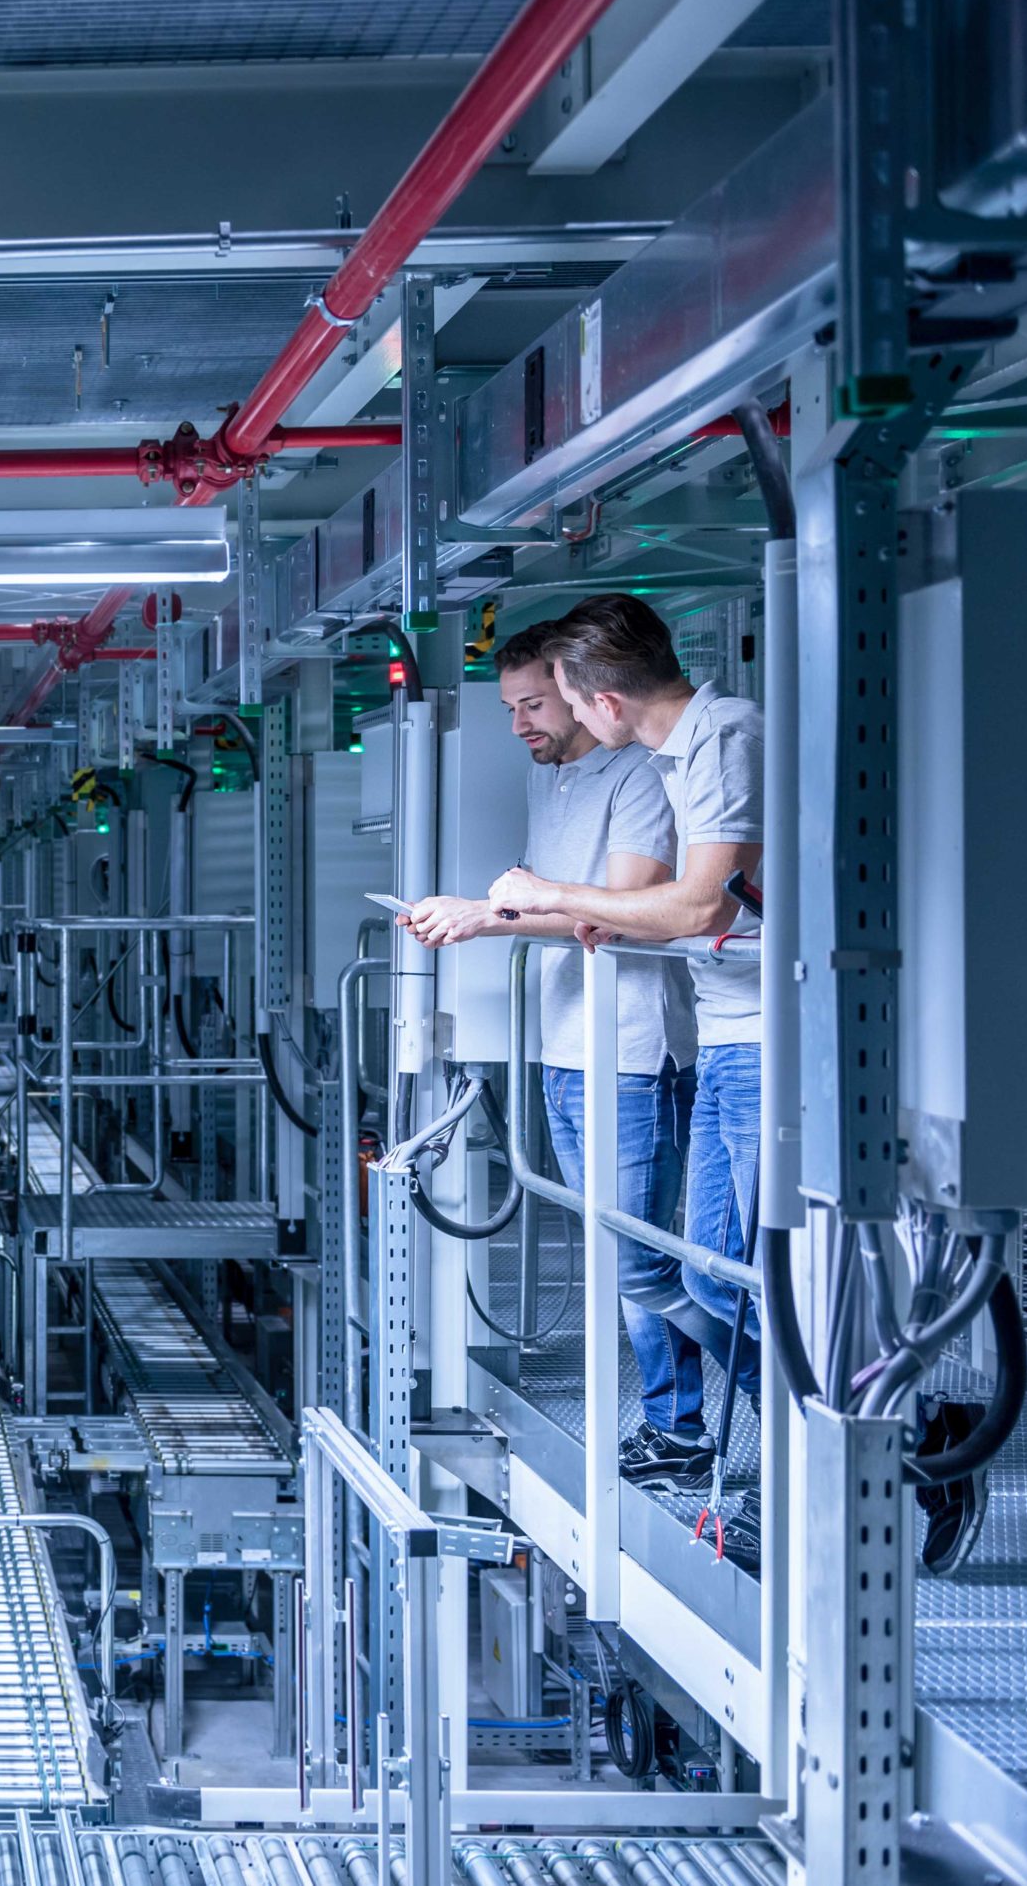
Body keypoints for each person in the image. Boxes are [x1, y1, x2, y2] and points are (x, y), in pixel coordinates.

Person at [404, 621, 710, 1489]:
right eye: (510, 708)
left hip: (632, 1048)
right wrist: (482, 910)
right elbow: (552, 902)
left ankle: (709, 1420)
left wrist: (482, 914)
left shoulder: (641, 777)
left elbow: (621, 907)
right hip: (565, 1044)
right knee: (623, 1258)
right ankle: (679, 1425)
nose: (520, 725)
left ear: (583, 693)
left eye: (534, 703)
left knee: (635, 1259)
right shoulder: (557, 778)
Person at [489, 596, 766, 1429]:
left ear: (603, 701)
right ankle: (819, 1447)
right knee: (710, 1276)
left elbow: (696, 909)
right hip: (724, 1036)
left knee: (727, 1275)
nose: (554, 719)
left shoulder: (725, 738)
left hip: (759, 1038)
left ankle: (873, 1453)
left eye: (559, 701)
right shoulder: (681, 757)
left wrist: (546, 896)